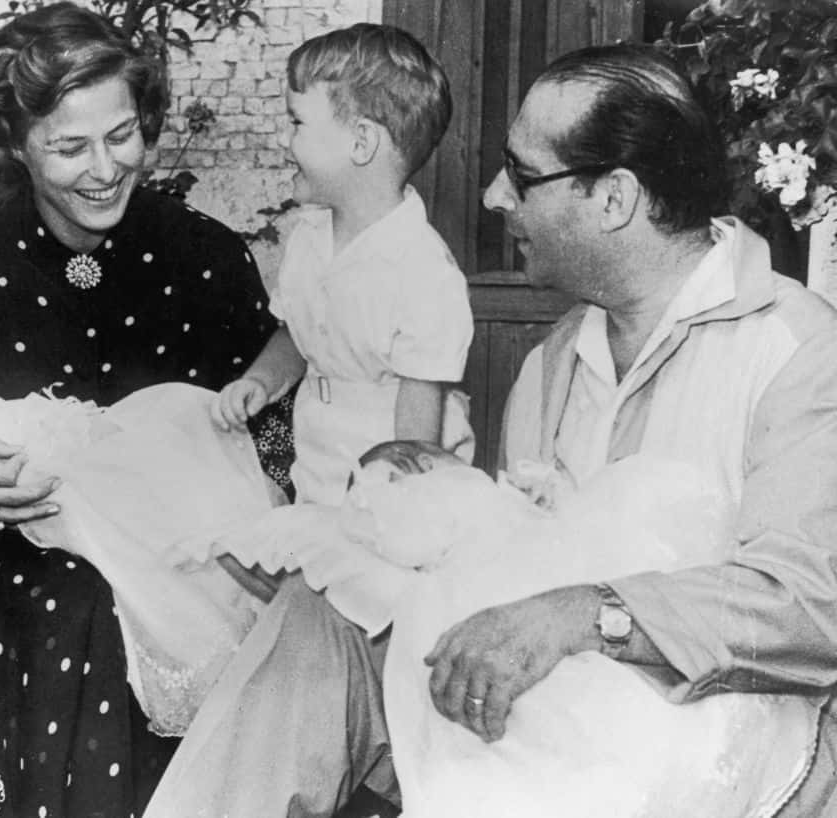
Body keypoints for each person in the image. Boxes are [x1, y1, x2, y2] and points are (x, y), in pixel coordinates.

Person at [142, 43, 837, 818]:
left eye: (523, 173)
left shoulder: (797, 352)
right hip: (540, 722)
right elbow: (502, 568)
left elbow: (812, 609)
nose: (493, 193)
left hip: (716, 755)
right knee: (320, 611)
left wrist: (586, 612)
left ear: (614, 199)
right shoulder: (550, 366)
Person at [0, 4, 293, 816]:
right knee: (51, 592)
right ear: (17, 146)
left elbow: (267, 435)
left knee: (91, 599)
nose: (105, 168)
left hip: (169, 567)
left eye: (122, 135)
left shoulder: (205, 255)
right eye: (70, 146)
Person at [0, 368, 275, 738]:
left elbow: (56, 419)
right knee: (135, 529)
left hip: (84, 443)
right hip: (60, 478)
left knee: (168, 437)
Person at [210, 23, 474, 508]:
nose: (283, 140)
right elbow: (299, 333)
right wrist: (261, 380)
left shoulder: (423, 270)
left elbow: (420, 411)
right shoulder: (309, 237)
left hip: (388, 484)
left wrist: (400, 504)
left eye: (297, 123)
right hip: (318, 470)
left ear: (360, 142)